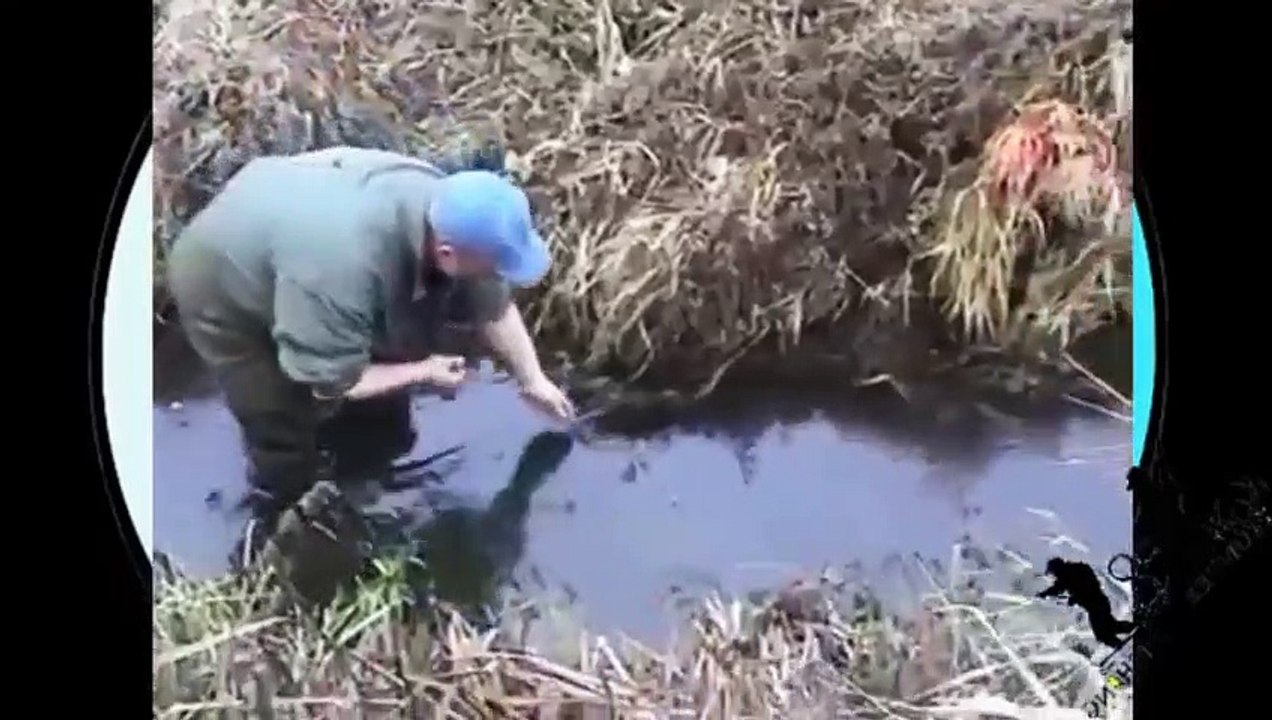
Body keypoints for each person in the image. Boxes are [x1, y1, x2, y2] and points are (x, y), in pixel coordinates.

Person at [166, 146, 577, 520]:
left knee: (377, 372)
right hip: (220, 280)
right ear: (447, 254)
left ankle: (366, 452)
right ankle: (287, 513)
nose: (497, 274)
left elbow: (491, 299)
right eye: (495, 265)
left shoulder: (453, 209)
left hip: (297, 232)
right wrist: (424, 371)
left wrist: (532, 379)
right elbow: (329, 381)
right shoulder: (344, 269)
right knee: (279, 411)